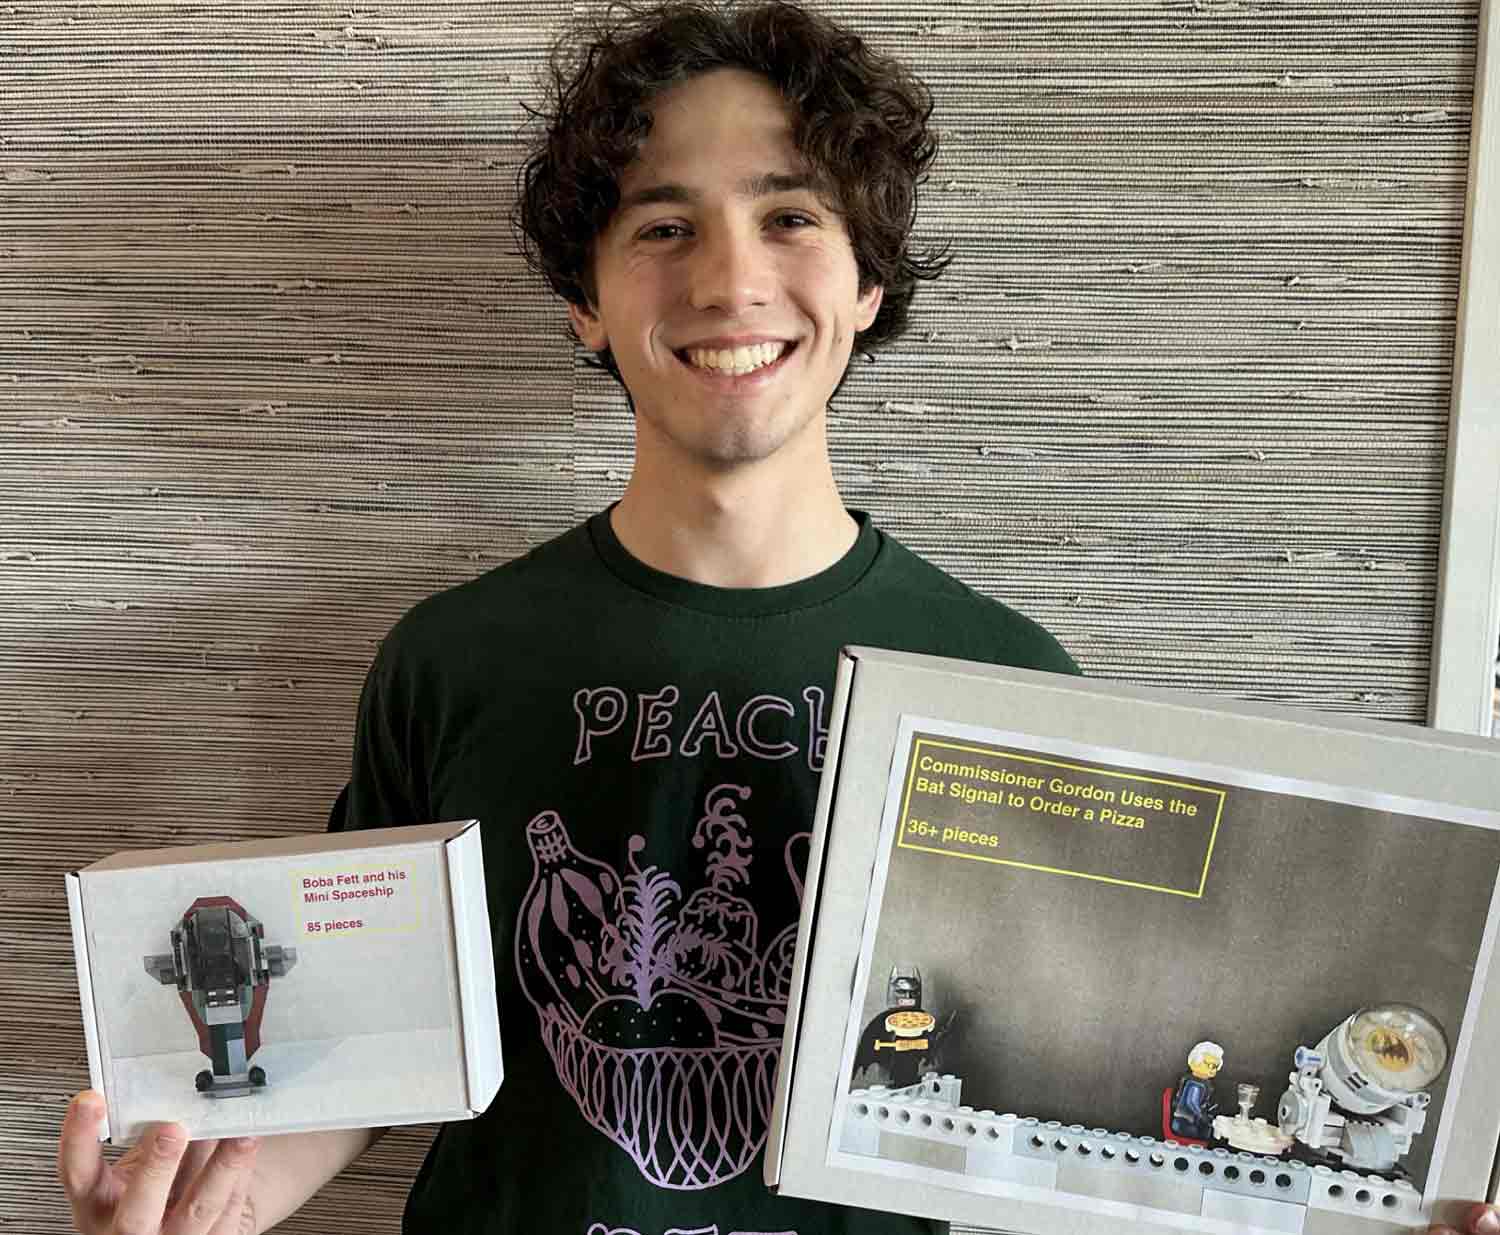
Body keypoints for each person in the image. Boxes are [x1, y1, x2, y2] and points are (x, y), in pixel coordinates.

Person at [52, 4, 1500, 1235]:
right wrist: (218, 1197)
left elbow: (1085, 1121)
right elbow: (373, 1064)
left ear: (867, 284)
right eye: (662, 224)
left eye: (791, 216)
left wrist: (1355, 1198)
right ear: (585, 301)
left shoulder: (1008, 681)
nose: (731, 278)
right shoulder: (456, 658)